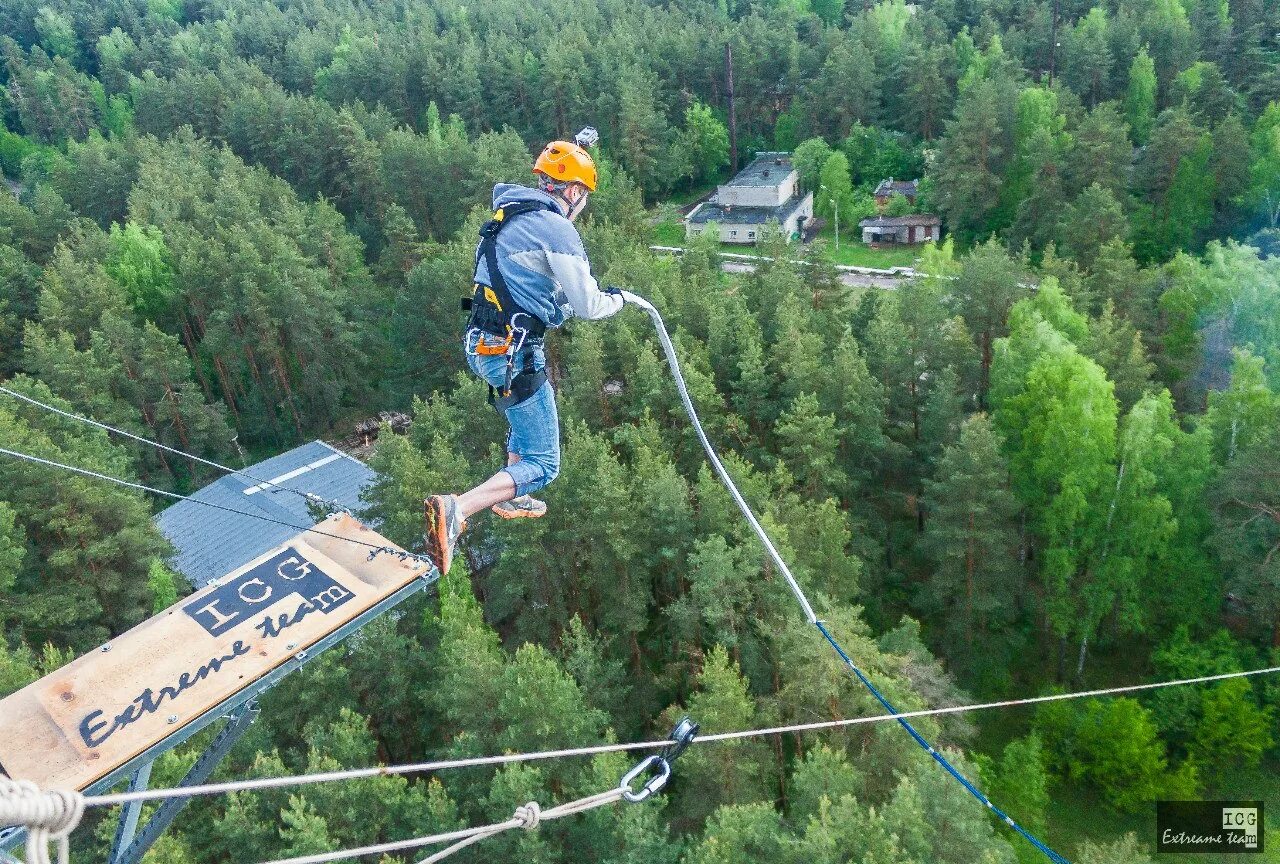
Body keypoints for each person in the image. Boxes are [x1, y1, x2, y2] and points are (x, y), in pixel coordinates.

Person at [423, 135, 625, 575]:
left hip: (484, 344)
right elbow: (590, 306)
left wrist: (564, 306)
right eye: (583, 197)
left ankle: (511, 491)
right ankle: (458, 508)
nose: (582, 206)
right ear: (572, 191)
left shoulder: (508, 219)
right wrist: (620, 300)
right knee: (545, 463)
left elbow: (538, 299)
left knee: (523, 422)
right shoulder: (557, 229)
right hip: (515, 354)